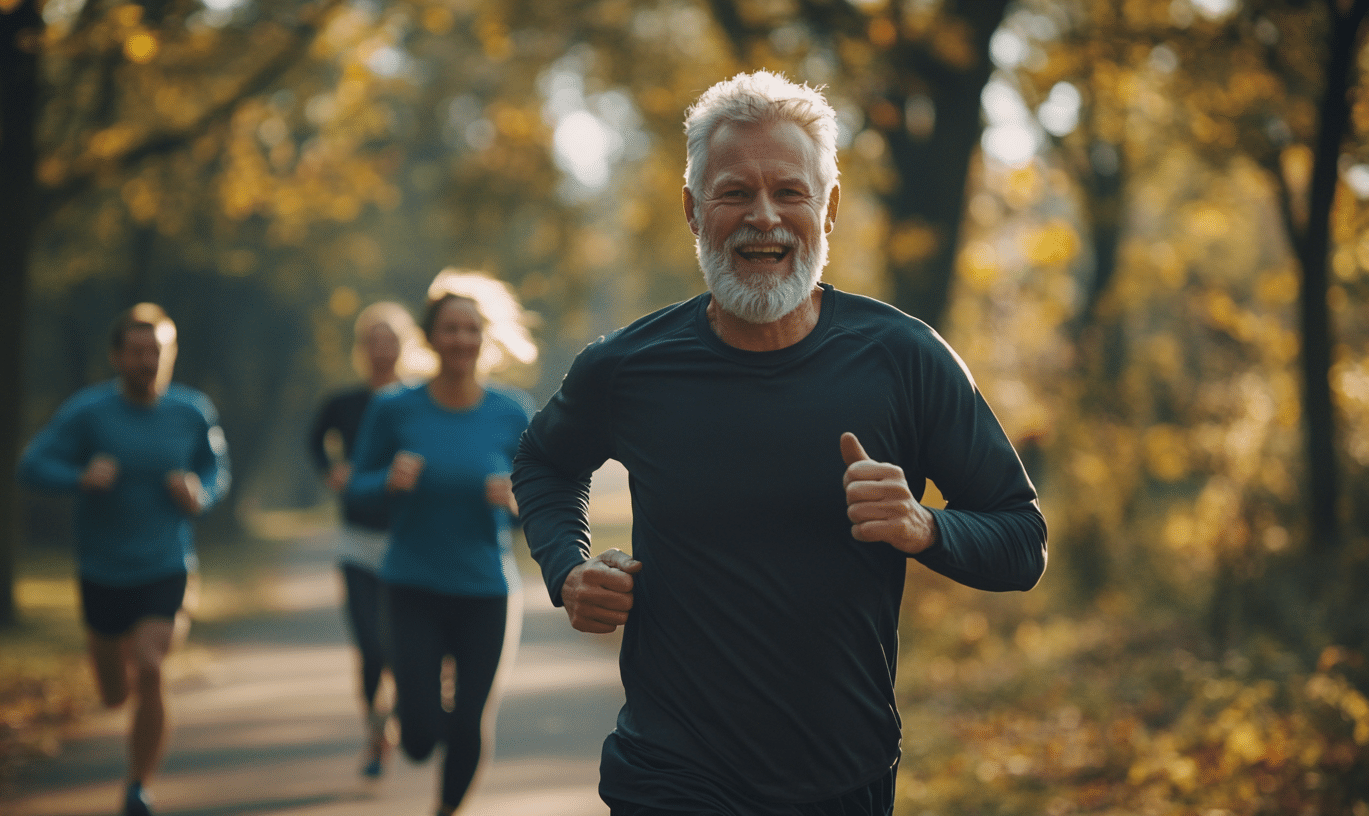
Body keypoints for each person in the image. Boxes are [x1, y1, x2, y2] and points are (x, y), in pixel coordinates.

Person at [511, 70, 1048, 816]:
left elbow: (1022, 540)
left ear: (828, 209)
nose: (763, 217)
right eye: (735, 193)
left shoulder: (904, 358)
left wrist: (926, 528)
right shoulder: (628, 367)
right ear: (694, 211)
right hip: (671, 769)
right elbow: (543, 460)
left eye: (789, 192)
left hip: (843, 773)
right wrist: (567, 569)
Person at [19, 303, 230, 816]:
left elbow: (217, 466)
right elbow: (32, 465)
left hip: (166, 563)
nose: (147, 361)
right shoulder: (87, 412)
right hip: (102, 569)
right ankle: (124, 697)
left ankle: (139, 785)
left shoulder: (192, 410)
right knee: (115, 693)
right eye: (137, 352)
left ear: (170, 355)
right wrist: (79, 477)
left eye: (157, 351)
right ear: (117, 357)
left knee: (153, 667)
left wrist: (199, 493)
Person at [347, 270, 537, 816]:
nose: (460, 340)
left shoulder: (512, 411)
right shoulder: (394, 408)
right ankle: (411, 715)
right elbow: (355, 490)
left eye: (470, 329)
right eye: (449, 329)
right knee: (420, 737)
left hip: (486, 587)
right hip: (412, 585)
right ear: (430, 338)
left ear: (486, 337)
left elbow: (547, 501)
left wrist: (517, 503)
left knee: (472, 718)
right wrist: (386, 481)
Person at [307, 300, 427, 778]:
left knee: (403, 647)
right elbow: (315, 439)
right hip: (358, 540)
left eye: (390, 341)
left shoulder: (419, 402)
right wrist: (331, 471)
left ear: (405, 347)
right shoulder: (344, 404)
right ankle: (377, 734)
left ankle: (400, 713)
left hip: (409, 540)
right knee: (372, 649)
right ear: (362, 350)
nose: (382, 351)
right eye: (373, 342)